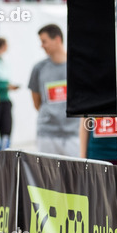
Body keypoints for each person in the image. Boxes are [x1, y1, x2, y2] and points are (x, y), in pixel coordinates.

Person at [29, 24, 80, 156]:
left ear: (57, 39)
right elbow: (37, 102)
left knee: (75, 176)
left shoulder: (78, 66)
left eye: (44, 41)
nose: (42, 45)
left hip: (73, 134)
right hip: (47, 134)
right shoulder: (39, 68)